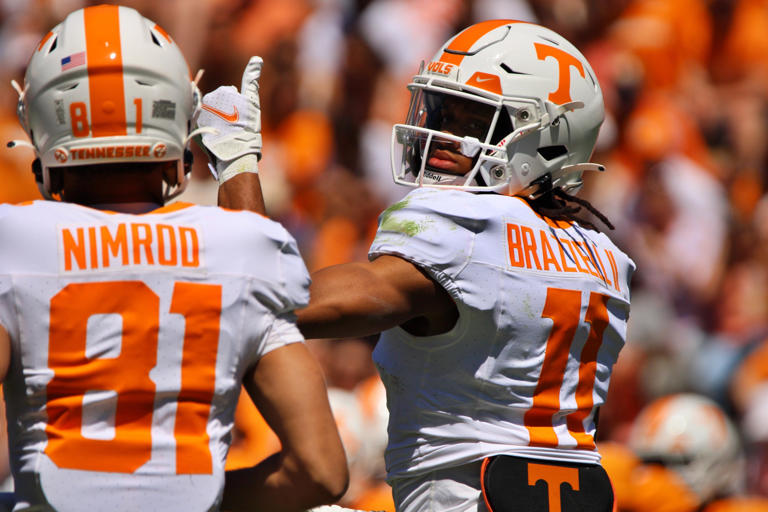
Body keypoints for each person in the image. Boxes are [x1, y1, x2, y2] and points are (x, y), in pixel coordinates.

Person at [0, 5, 348, 512]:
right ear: (176, 116)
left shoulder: (15, 239)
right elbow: (320, 470)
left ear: (44, 123)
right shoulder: (241, 247)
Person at [278, 20, 635, 512]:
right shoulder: (606, 259)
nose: (441, 136)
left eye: (472, 121)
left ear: (545, 140)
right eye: (442, 113)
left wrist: (237, 170)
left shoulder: (467, 231)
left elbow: (290, 305)